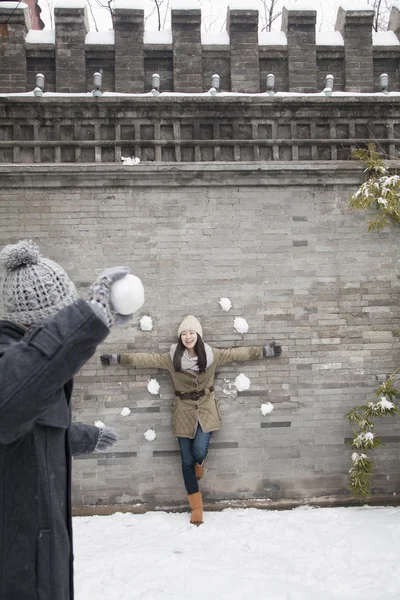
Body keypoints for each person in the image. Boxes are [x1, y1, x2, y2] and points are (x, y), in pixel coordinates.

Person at [0, 239, 142, 600]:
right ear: (46, 321)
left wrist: (83, 437)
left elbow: (28, 434)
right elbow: (8, 406)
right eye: (61, 314)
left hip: (40, 558)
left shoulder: (36, 376)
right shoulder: (14, 366)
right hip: (17, 567)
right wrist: (84, 321)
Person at [100, 315, 281, 526]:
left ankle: (201, 463)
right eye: (184, 333)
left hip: (206, 409)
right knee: (186, 461)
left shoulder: (213, 355)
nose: (188, 337)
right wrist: (116, 358)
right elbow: (144, 359)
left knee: (198, 452)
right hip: (182, 411)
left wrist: (265, 351)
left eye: (191, 333)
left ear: (198, 335)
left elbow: (237, 353)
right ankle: (197, 507)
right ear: (180, 337)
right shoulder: (171, 358)